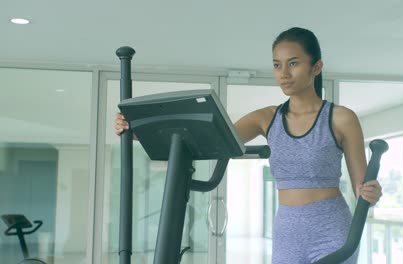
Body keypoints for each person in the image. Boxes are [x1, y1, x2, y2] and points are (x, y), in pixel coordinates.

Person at [115, 27, 382, 264]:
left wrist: (371, 193)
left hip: (331, 228)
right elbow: (206, 138)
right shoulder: (266, 118)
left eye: (294, 63)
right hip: (287, 229)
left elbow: (362, 191)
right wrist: (135, 130)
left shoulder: (341, 118)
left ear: (316, 67)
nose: (284, 74)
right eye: (277, 65)